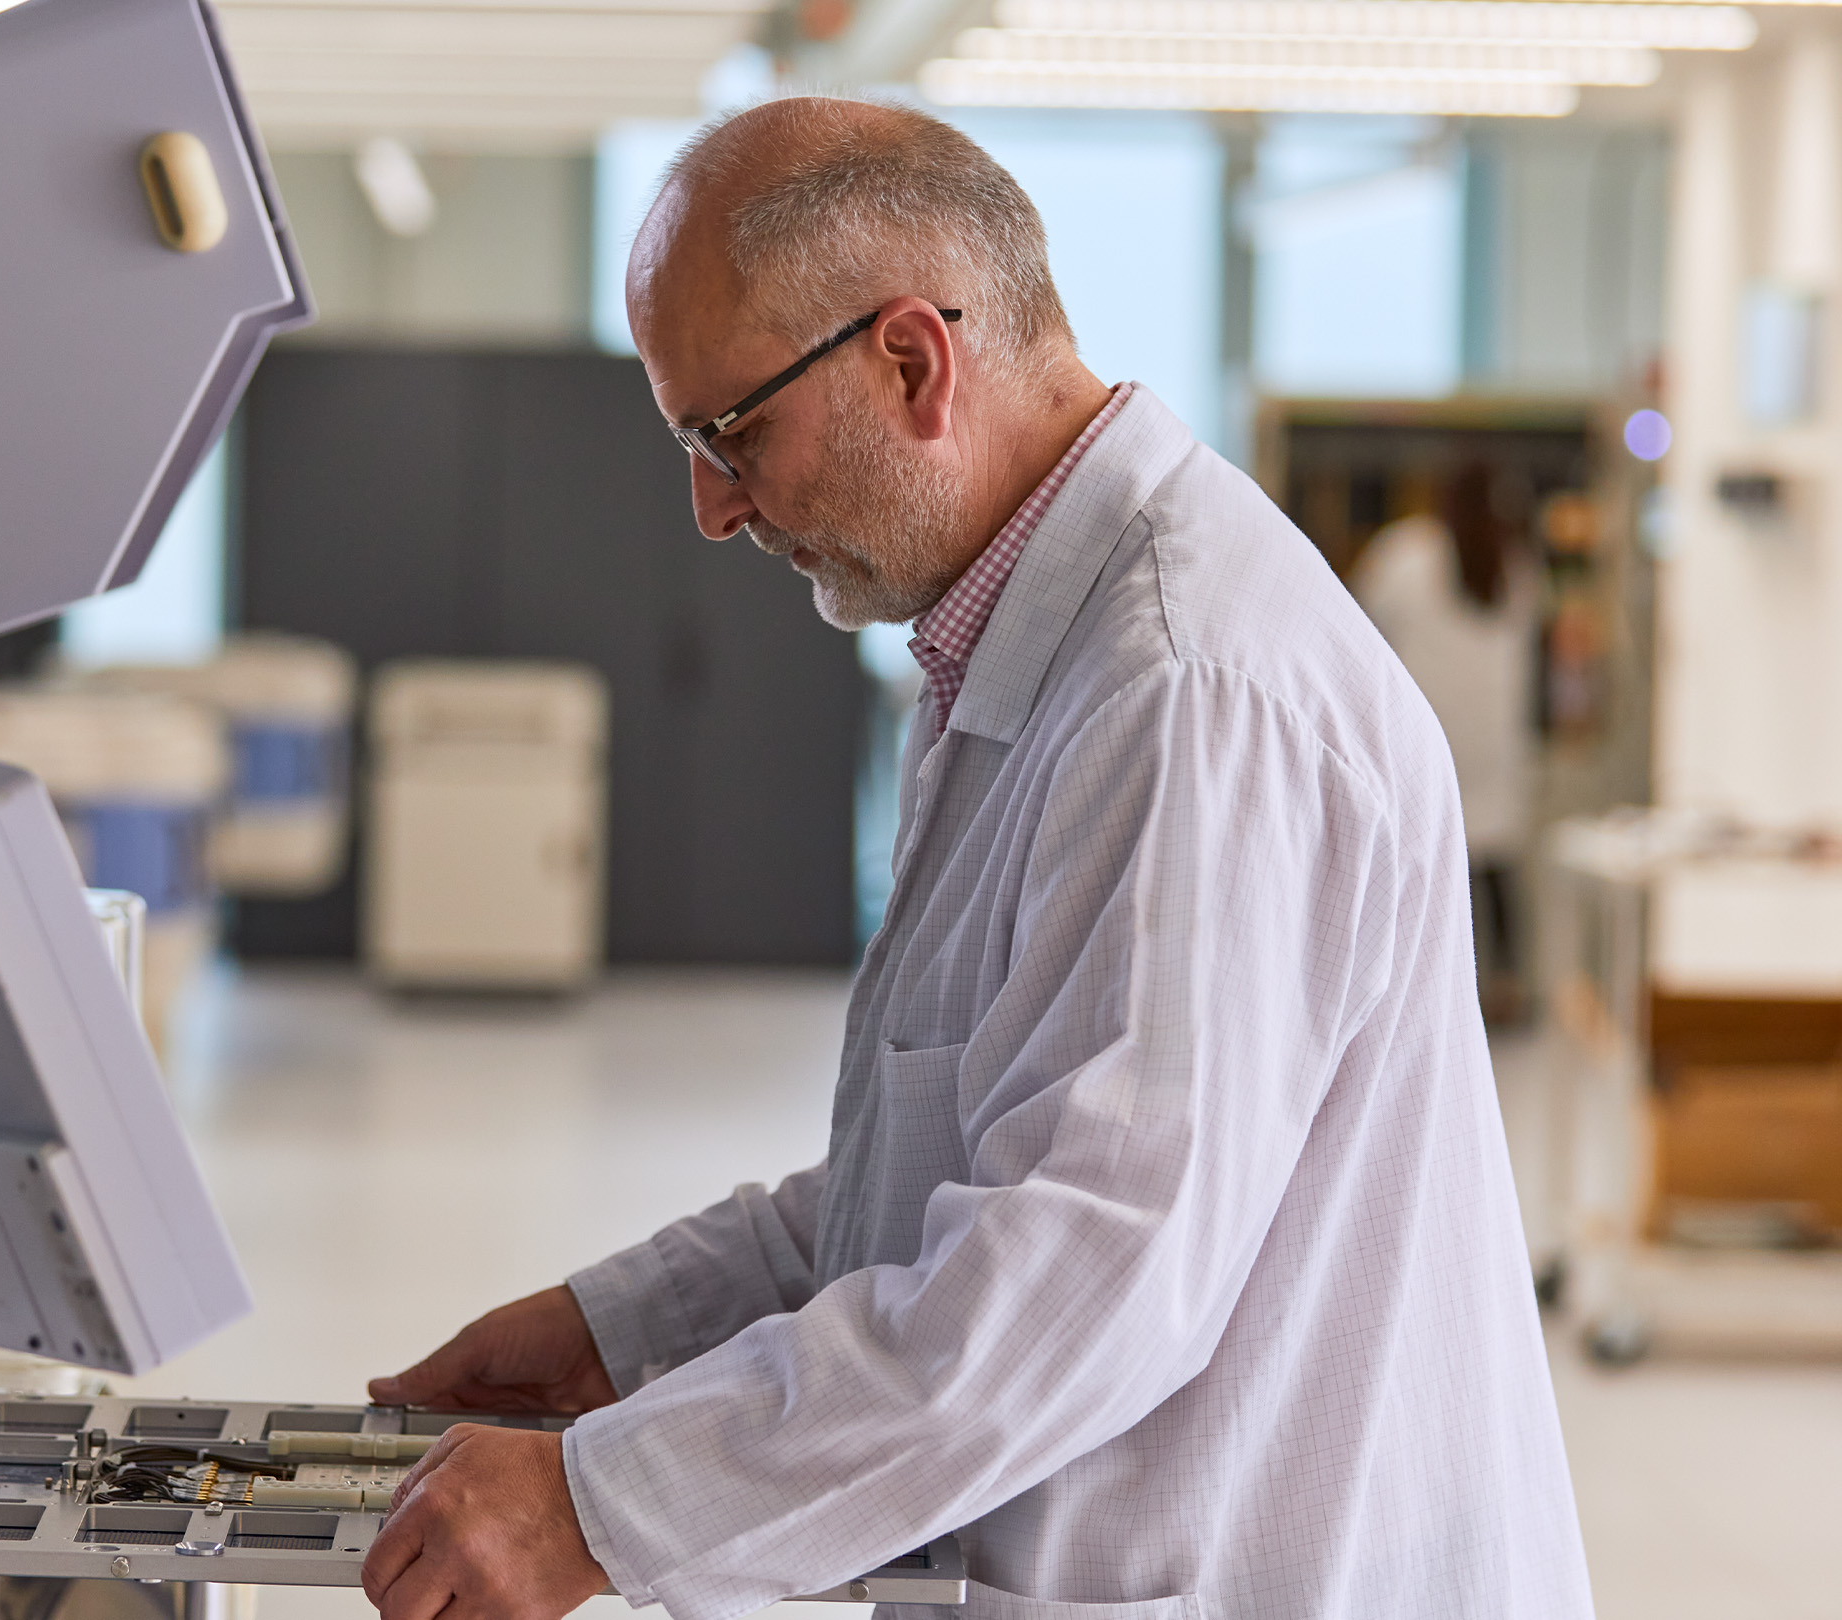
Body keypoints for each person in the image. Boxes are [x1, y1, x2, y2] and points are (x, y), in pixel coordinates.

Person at [357, 97, 1590, 1620]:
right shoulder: (1031, 655)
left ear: (911, 363)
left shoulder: (1183, 690)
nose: (711, 505)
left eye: (728, 431)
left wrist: (600, 1510)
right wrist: (623, 1329)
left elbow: (1080, 1276)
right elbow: (949, 1156)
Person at [1351, 464, 1537, 1024]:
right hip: (1495, 748)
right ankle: (1507, 989)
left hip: (1423, 744)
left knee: (1426, 874)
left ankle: (1426, 995)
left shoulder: (1405, 553)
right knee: (1496, 869)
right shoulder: (1516, 564)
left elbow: (1355, 630)